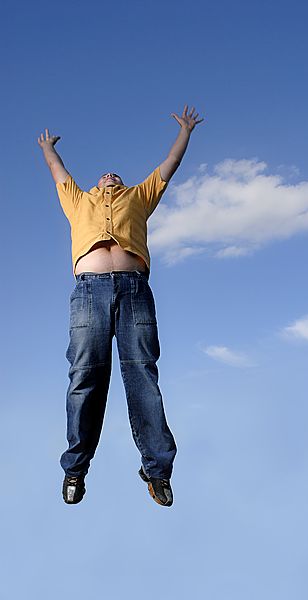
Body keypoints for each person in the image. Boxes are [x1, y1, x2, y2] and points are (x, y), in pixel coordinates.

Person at [38, 105, 204, 506]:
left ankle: (157, 470)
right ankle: (75, 470)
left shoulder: (139, 198)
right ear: (96, 184)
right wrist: (48, 148)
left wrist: (185, 132)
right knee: (84, 376)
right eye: (105, 173)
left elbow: (171, 163)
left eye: (117, 173)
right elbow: (59, 171)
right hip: (89, 293)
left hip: (134, 291)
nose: (111, 174)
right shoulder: (78, 201)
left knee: (143, 376)